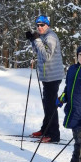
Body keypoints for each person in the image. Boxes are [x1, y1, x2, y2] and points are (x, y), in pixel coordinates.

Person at [26, 15, 65, 143]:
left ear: (47, 25)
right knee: (47, 104)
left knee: (51, 105)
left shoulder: (51, 37)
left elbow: (46, 55)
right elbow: (37, 52)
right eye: (37, 25)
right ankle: (45, 130)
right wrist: (33, 40)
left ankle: (54, 135)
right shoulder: (42, 36)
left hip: (53, 76)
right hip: (47, 76)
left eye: (42, 25)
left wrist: (36, 40)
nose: (39, 27)